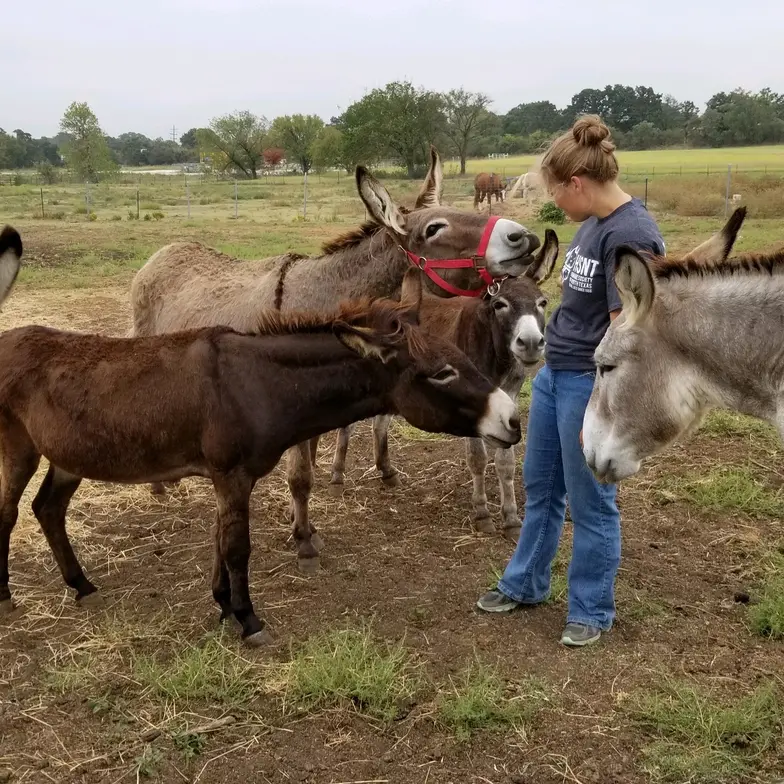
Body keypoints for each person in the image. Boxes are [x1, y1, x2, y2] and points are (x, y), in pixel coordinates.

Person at [476, 114, 665, 647]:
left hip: (589, 385)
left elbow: (628, 336)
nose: (555, 202)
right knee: (542, 488)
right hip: (558, 376)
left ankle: (590, 609)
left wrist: (604, 412)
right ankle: (525, 583)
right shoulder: (592, 225)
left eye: (556, 191)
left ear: (576, 183)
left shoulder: (632, 235)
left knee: (591, 502)